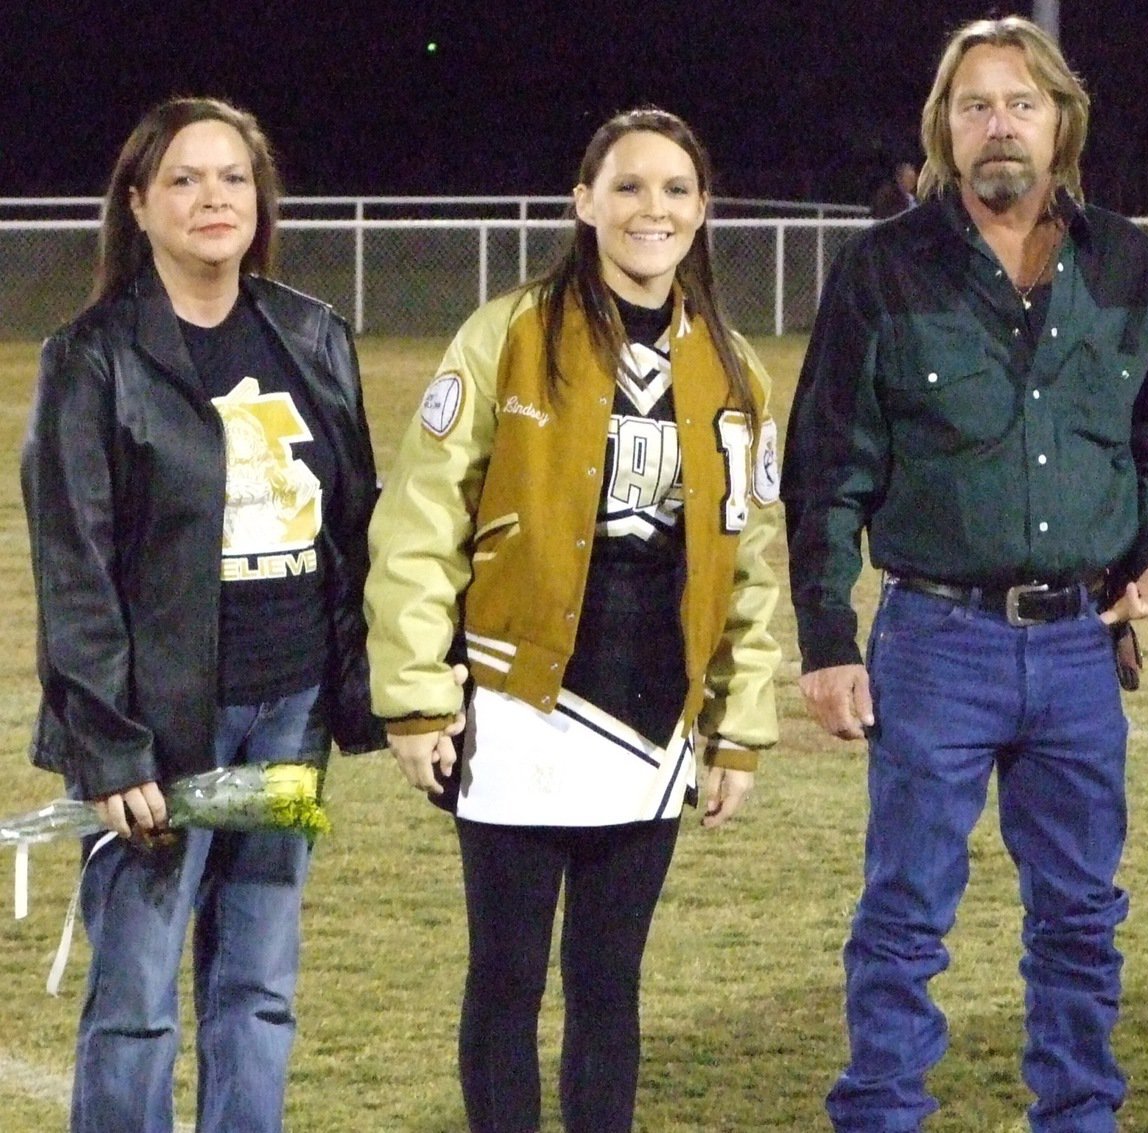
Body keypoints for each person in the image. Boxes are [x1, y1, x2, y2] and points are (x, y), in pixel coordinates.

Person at [781, 15, 1148, 1133]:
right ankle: (879, 1111)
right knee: (906, 911)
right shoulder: (882, 268)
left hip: (1076, 645)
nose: (998, 124)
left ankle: (1078, 1113)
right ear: (944, 132)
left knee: (1079, 912)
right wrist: (825, 636)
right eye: (974, 106)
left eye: (1020, 102)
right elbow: (827, 464)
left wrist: (1140, 544)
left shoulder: (1126, 263)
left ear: (1062, 122)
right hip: (935, 639)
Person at [365, 106, 782, 1132]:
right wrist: (418, 699)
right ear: (585, 203)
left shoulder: (734, 367)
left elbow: (750, 561)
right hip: (515, 700)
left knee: (611, 986)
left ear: (703, 211)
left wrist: (740, 721)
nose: (654, 207)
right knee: (505, 981)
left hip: (654, 722)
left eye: (677, 189)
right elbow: (421, 520)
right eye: (630, 186)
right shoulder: (505, 333)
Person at [21, 96, 387, 1132]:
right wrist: (112, 743)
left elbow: (356, 525)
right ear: (137, 204)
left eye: (233, 176)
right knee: (136, 1004)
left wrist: (364, 688)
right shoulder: (91, 357)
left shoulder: (314, 335)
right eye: (183, 178)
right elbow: (74, 568)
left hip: (289, 713)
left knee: (259, 988)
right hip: (163, 731)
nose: (212, 197)